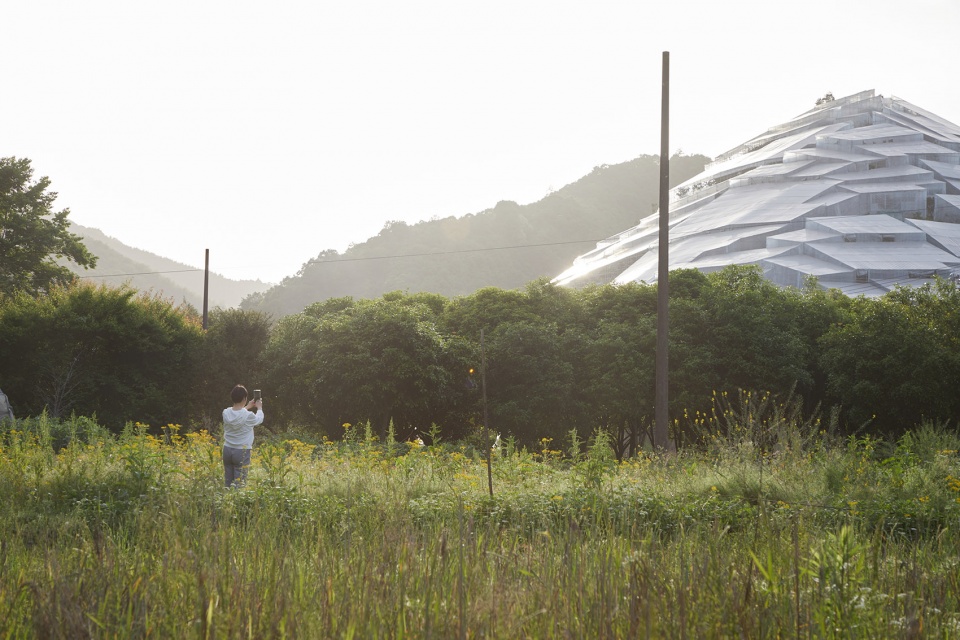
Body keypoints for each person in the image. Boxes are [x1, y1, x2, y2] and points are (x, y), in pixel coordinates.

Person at [222, 384, 263, 487]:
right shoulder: (248, 416)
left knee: (228, 482)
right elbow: (259, 419)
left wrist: (247, 406)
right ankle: (236, 502)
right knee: (239, 483)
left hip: (227, 449)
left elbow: (238, 414)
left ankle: (226, 500)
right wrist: (259, 408)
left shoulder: (226, 412)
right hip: (242, 451)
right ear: (244, 398)